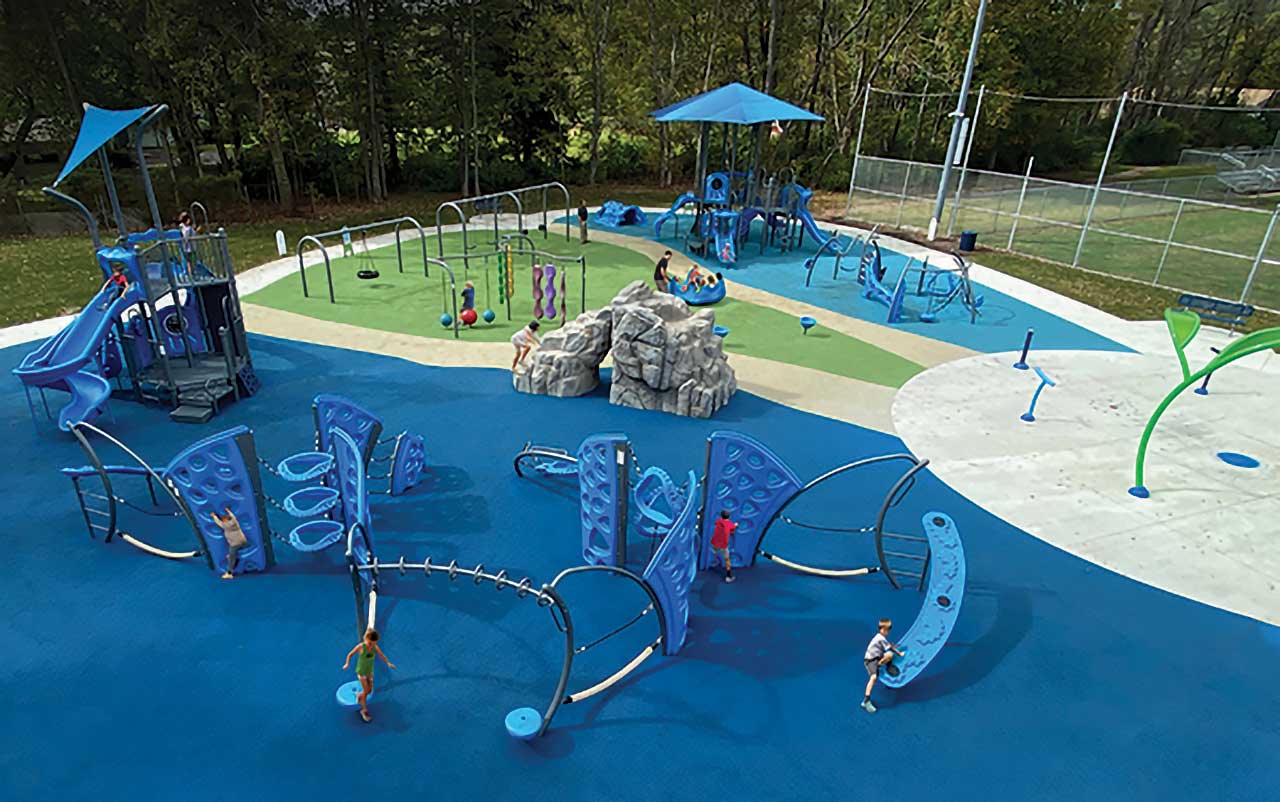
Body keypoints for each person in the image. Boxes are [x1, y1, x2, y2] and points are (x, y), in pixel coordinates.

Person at [342, 629, 395, 723]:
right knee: (366, 691)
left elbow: (381, 655)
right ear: (365, 639)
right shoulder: (361, 647)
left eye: (374, 643)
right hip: (361, 672)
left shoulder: (375, 647)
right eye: (370, 643)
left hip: (369, 672)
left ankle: (359, 695)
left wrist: (388, 663)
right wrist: (347, 664)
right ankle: (364, 710)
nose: (371, 645)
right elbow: (350, 655)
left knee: (369, 691)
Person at [861, 618, 905, 713]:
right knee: (873, 678)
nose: (888, 633)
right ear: (884, 630)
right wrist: (899, 653)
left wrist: (892, 646)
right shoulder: (881, 638)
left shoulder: (879, 637)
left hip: (877, 657)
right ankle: (866, 701)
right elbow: (890, 648)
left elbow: (887, 645)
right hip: (870, 661)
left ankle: (886, 666)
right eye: (888, 631)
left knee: (889, 655)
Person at [211, 508, 248, 580]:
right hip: (243, 541)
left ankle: (229, 573)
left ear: (226, 520)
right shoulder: (234, 521)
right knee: (235, 551)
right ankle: (235, 558)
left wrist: (214, 516)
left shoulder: (226, 525)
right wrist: (229, 511)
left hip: (234, 543)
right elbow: (233, 516)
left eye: (224, 520)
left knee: (231, 558)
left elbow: (219, 523)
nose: (223, 521)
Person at [711, 509, 737, 583]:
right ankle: (728, 576)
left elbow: (717, 523)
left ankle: (712, 561)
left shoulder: (718, 521)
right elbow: (733, 528)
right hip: (723, 545)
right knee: (727, 560)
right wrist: (736, 525)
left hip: (715, 542)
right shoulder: (730, 524)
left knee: (714, 551)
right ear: (729, 516)